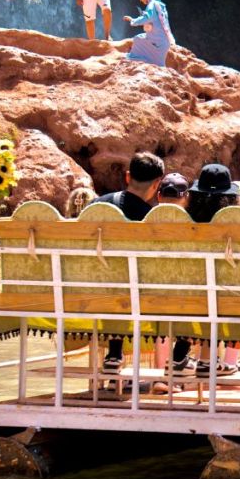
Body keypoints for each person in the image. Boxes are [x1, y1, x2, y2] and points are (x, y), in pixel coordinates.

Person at [184, 164, 240, 378]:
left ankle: (206, 359)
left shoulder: (186, 224)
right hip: (235, 298)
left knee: (207, 294)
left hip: (191, 297)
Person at [91, 152, 165, 372]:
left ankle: (115, 354)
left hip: (92, 290)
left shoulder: (96, 206)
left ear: (127, 177)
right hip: (135, 295)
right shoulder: (150, 218)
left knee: (116, 283)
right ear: (157, 184)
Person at [122, 0, 175, 67]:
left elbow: (147, 18)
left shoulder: (152, 4)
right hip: (164, 43)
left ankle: (135, 62)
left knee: (137, 40)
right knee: (140, 38)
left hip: (157, 43)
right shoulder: (160, 5)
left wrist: (132, 21)